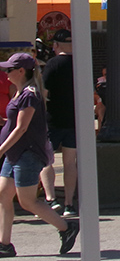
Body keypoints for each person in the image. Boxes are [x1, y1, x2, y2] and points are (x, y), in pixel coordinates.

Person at [0, 53, 79, 257]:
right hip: (14, 153)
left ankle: (66, 227)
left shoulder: (30, 94)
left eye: (9, 69)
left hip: (27, 154)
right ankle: (4, 243)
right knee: (3, 195)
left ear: (21, 71)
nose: (6, 72)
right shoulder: (21, 93)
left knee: (27, 201)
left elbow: (21, 128)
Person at [40, 29, 78, 218]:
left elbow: (43, 93)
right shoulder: (80, 63)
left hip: (53, 119)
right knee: (70, 163)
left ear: (56, 45)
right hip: (74, 120)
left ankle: (50, 199)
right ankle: (69, 203)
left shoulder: (52, 65)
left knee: (46, 160)